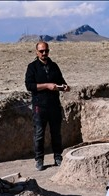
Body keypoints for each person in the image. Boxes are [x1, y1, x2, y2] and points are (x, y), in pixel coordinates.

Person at [25, 41, 70, 171]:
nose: (44, 53)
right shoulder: (32, 67)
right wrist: (47, 86)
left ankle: (57, 156)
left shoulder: (54, 66)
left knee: (56, 132)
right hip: (40, 105)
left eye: (46, 51)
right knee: (39, 133)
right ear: (36, 52)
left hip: (54, 104)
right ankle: (39, 159)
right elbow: (29, 86)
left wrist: (64, 87)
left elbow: (61, 82)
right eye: (41, 51)